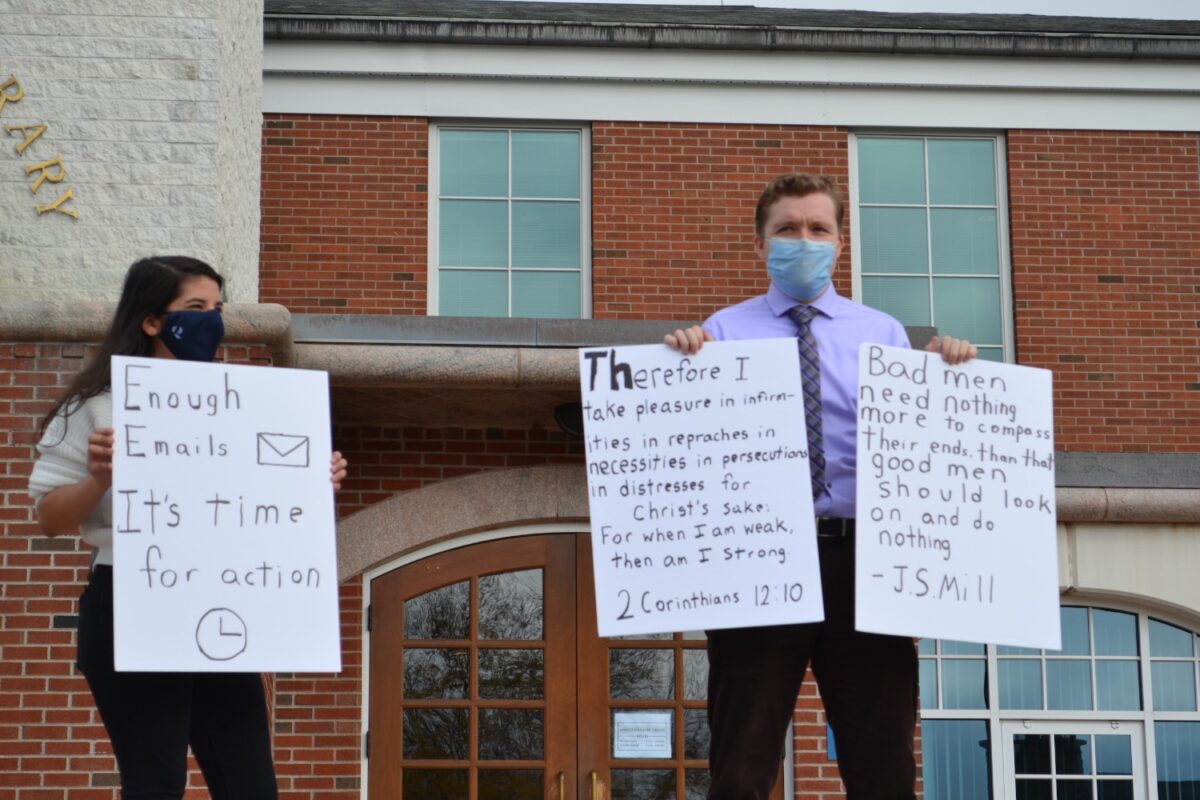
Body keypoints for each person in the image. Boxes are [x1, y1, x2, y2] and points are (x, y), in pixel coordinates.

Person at [665, 174, 976, 800]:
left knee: (881, 756)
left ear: (840, 243)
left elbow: (923, 443)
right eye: (787, 229)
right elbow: (694, 446)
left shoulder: (883, 334)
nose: (802, 241)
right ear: (760, 245)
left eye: (817, 229)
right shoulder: (721, 334)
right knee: (741, 756)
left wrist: (954, 372)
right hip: (760, 560)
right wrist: (678, 366)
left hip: (863, 561)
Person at [28, 256, 349, 800]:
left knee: (249, 784)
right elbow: (50, 517)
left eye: (217, 309)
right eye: (195, 308)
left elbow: (253, 508)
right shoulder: (98, 404)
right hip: (131, 599)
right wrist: (100, 479)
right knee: (155, 781)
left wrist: (312, 483)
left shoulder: (245, 406)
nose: (211, 321)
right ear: (150, 320)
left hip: (218, 599)